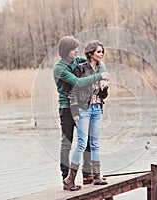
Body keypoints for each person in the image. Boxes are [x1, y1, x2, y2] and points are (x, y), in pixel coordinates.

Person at [53, 36, 110, 190]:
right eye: (73, 49)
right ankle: (66, 178)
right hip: (67, 107)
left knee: (89, 140)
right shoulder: (59, 68)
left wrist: (103, 76)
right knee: (67, 143)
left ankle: (88, 174)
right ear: (66, 51)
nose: (76, 51)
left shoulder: (77, 61)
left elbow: (98, 63)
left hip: (85, 105)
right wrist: (99, 76)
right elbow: (77, 83)